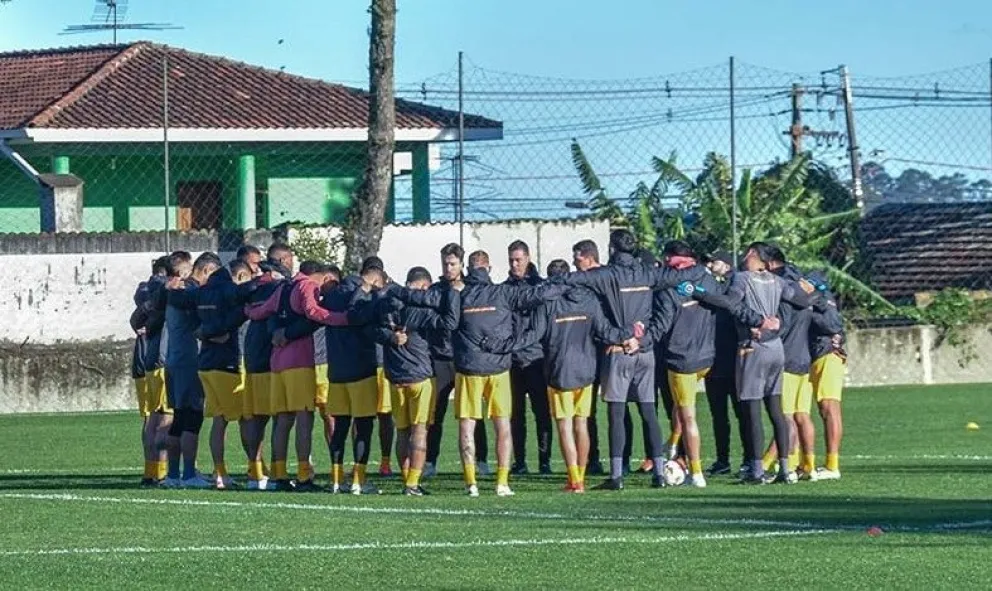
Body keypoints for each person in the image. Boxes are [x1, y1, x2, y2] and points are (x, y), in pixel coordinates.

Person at [548, 230, 706, 490]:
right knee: (648, 412)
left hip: (619, 350)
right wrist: (700, 271)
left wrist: (551, 281)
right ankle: (657, 472)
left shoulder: (606, 275)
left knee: (616, 412)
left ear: (611, 249)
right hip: (645, 352)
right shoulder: (647, 273)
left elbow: (571, 279)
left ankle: (617, 476)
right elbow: (685, 275)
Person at [480, 259, 632, 493]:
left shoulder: (549, 304)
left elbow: (532, 335)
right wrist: (631, 332)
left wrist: (501, 346)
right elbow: (606, 331)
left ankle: (575, 481)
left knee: (564, 426)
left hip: (560, 371)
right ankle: (579, 476)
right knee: (582, 425)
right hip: (587, 371)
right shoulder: (589, 300)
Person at [691, 242, 815, 484]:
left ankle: (757, 470)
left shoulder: (743, 279)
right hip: (776, 349)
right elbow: (801, 300)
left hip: (752, 347)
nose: (745, 257)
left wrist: (697, 293)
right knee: (776, 409)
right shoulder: (778, 282)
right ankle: (785, 469)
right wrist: (783, 315)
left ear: (759, 258)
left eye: (749, 253)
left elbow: (730, 303)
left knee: (751, 409)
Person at [449, 250, 567, 497]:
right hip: (500, 368)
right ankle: (502, 482)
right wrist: (564, 283)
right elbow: (537, 294)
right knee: (503, 425)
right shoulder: (503, 293)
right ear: (489, 269)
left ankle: (471, 483)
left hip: (469, 369)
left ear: (468, 269)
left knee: (467, 426)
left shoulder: (459, 296)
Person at [373, 266, 460, 495]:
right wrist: (451, 292)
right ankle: (412, 483)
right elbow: (449, 321)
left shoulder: (384, 306)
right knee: (419, 430)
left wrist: (390, 337)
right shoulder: (418, 311)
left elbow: (371, 330)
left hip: (394, 377)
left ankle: (406, 479)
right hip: (420, 377)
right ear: (423, 286)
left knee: (402, 431)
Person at [267, 261, 349, 491]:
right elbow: (313, 312)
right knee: (304, 419)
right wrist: (342, 318)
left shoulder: (284, 287)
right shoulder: (307, 287)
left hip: (277, 362)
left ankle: (278, 474)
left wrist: (276, 331)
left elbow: (261, 310)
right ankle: (304, 476)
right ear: (320, 277)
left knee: (283, 420)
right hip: (299, 362)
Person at [653, 241, 727, 487]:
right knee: (679, 405)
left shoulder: (668, 289)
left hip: (682, 359)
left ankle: (696, 473)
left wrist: (640, 340)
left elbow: (662, 325)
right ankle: (673, 443)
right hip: (707, 356)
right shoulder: (706, 280)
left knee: (688, 415)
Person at [424, 243, 490, 478]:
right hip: (440, 359)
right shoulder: (436, 289)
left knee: (473, 413)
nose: (448, 268)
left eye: (452, 263)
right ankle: (430, 461)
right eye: (445, 263)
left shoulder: (470, 290)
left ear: (462, 265)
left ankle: (481, 460)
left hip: (465, 358)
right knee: (435, 413)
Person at [162, 251, 219, 489]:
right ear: (205, 271)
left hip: (174, 360)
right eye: (214, 276)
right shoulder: (189, 294)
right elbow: (200, 326)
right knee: (191, 417)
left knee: (179, 418)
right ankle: (187, 474)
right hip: (189, 361)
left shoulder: (175, 292)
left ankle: (174, 473)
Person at [759, 248, 818, 480]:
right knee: (801, 415)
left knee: (785, 417)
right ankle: (806, 466)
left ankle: (766, 466)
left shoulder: (784, 292)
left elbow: (781, 327)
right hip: (804, 360)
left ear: (772, 265)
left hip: (788, 359)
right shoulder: (804, 290)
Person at [196, 259, 255, 489]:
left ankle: (220, 472)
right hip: (227, 365)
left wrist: (206, 333)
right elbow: (229, 326)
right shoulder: (229, 295)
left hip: (206, 364)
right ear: (240, 277)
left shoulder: (204, 293)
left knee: (219, 420)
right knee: (245, 418)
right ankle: (256, 470)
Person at [241, 243, 294, 490]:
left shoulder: (252, 287)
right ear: (283, 261)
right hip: (269, 357)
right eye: (291, 260)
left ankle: (256, 472)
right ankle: (274, 474)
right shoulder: (277, 287)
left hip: (252, 356)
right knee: (278, 417)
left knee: (256, 418)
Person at [504, 241, 554, 475]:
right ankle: (520, 461)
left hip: (536, 360)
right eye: (511, 260)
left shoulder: (540, 287)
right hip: (512, 362)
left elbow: (542, 326)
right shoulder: (504, 289)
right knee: (515, 415)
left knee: (542, 413)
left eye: (518, 259)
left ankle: (544, 461)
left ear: (528, 258)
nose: (515, 264)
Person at [702, 250, 745, 477]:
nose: (709, 265)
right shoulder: (711, 283)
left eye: (713, 261)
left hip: (734, 358)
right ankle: (722, 460)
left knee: (742, 412)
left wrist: (701, 293)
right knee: (718, 415)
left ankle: (749, 458)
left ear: (726, 264)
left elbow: (729, 303)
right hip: (714, 360)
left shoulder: (737, 281)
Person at [130, 256, 171, 486]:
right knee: (164, 416)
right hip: (158, 360)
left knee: (149, 417)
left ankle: (150, 470)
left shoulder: (143, 292)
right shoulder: (160, 292)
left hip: (141, 360)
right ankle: (162, 472)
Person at [808, 270, 846, 480]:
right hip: (816, 355)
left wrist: (807, 312)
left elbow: (833, 326)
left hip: (827, 354)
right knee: (820, 409)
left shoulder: (822, 300)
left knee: (830, 407)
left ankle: (832, 465)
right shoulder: (819, 299)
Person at [361, 256, 397, 478]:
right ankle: (365, 464)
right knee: (366, 416)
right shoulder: (358, 296)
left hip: (381, 363)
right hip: (367, 363)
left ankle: (384, 462)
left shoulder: (390, 295)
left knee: (384, 415)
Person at [571, 240, 604, 476]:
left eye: (577, 258)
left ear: (589, 257)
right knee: (586, 412)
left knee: (617, 407)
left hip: (605, 350)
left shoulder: (603, 278)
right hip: (585, 352)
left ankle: (620, 460)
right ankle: (591, 460)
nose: (574, 262)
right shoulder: (579, 281)